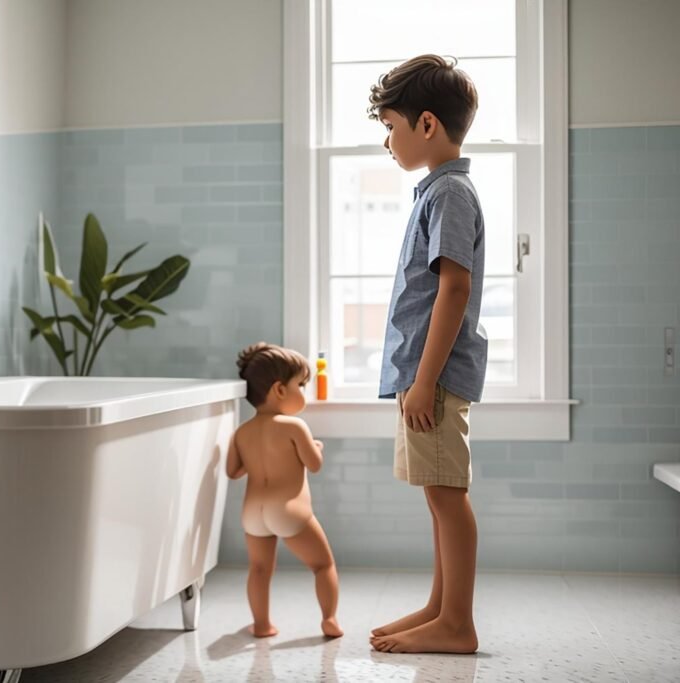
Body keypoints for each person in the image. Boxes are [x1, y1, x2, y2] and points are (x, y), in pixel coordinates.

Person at [366, 54, 486, 655]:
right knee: (437, 494)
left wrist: (424, 381)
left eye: (391, 126)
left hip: (431, 377)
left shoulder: (451, 194)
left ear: (428, 125)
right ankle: (441, 607)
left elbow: (454, 287)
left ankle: (457, 624)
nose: (388, 140)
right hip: (424, 375)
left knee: (446, 495)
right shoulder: (438, 192)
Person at [228, 342, 343, 639]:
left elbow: (233, 471)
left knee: (259, 569)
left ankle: (262, 625)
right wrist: (316, 447)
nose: (303, 391)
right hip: (289, 509)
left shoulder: (242, 431)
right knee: (322, 564)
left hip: (253, 512)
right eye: (301, 385)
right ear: (280, 390)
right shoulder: (294, 427)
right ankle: (329, 619)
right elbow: (313, 465)